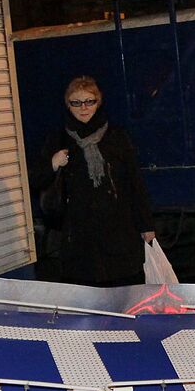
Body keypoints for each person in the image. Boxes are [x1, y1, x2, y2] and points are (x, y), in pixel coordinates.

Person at [37, 76, 156, 286]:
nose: (83, 108)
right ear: (68, 104)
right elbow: (37, 179)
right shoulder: (58, 139)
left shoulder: (116, 136)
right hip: (79, 234)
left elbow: (134, 183)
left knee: (125, 291)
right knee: (87, 294)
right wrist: (53, 163)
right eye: (76, 102)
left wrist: (146, 225)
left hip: (119, 230)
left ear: (98, 101)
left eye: (89, 101)